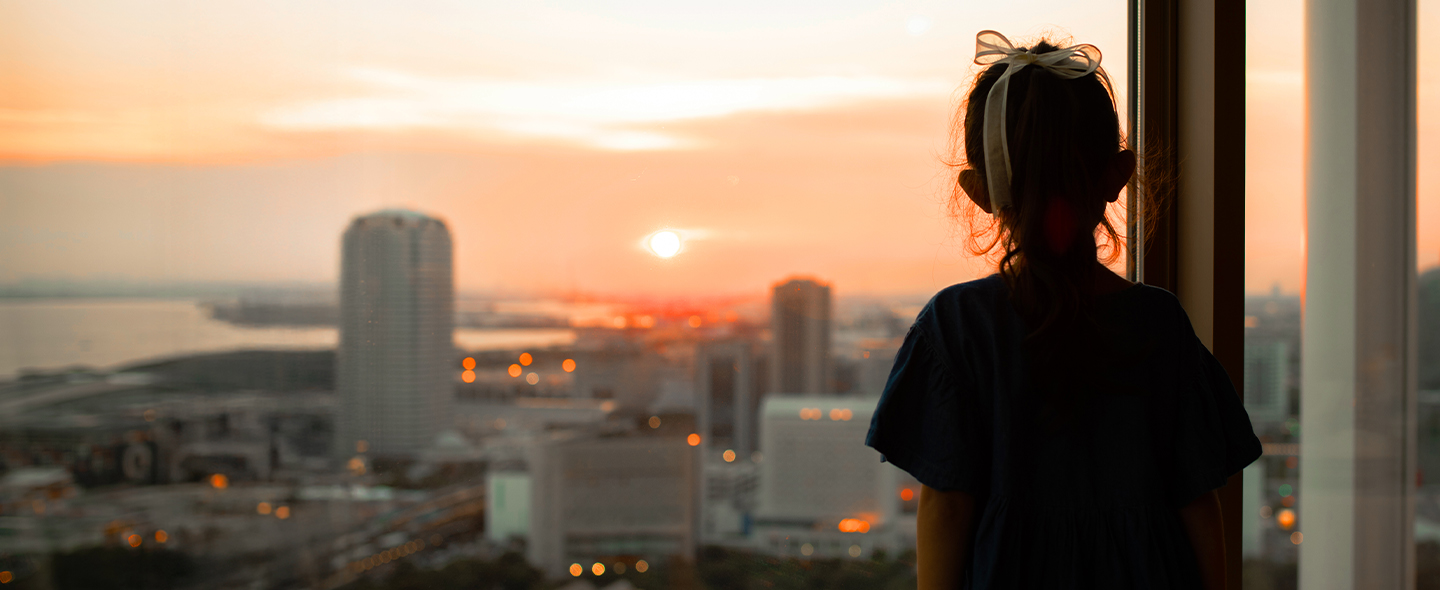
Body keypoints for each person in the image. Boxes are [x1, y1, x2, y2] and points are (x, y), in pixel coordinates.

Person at [865, 31, 1262, 590]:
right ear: (1118, 175)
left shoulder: (957, 325)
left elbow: (946, 506)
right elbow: (1197, 500)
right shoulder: (1158, 322)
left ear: (978, 192)